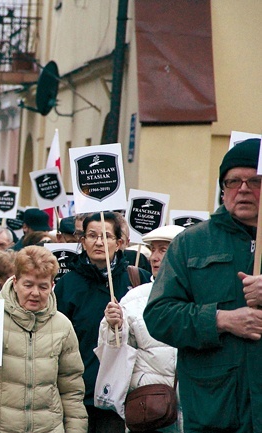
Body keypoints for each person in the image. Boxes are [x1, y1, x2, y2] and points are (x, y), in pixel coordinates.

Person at [144, 137, 262, 432]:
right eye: (233, 181)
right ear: (222, 190)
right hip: (214, 409)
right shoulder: (191, 243)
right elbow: (159, 315)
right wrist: (221, 319)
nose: (244, 189)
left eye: (255, 180)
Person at [0, 246, 88, 433]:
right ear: (15, 282)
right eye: (28, 285)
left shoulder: (62, 326)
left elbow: (71, 390)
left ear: (52, 285)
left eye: (43, 286)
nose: (35, 293)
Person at [55, 211, 151, 432]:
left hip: (124, 396)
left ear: (119, 243)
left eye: (106, 236)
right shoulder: (67, 285)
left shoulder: (138, 280)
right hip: (79, 395)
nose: (98, 242)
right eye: (91, 235)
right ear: (83, 241)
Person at [100, 225, 185, 432]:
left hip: (191, 408)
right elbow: (114, 350)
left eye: (163, 250)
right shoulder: (135, 297)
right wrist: (114, 327)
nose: (154, 257)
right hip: (149, 408)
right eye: (152, 249)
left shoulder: (203, 296)